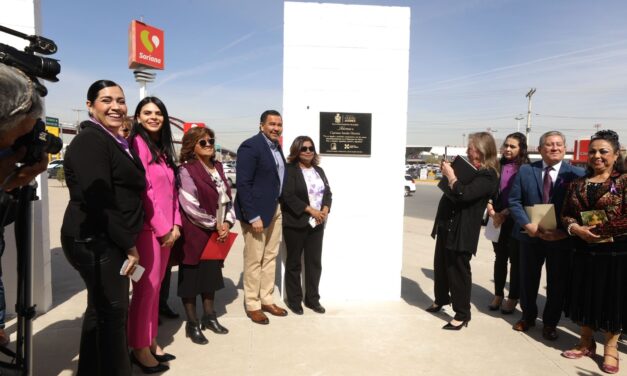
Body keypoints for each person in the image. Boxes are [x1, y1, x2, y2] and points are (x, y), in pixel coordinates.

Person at [60, 80, 145, 375]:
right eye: (106, 100)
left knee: (101, 311)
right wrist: (129, 244)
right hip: (97, 239)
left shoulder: (112, 140)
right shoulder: (91, 140)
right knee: (113, 315)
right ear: (90, 106)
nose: (116, 107)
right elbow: (100, 199)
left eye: (120, 100)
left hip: (108, 237)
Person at [560, 130, 627, 374]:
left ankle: (611, 347)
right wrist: (576, 228)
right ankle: (586, 341)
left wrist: (598, 230)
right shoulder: (577, 183)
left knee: (612, 298)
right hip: (582, 250)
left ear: (616, 154)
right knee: (584, 294)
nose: (597, 156)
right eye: (593, 152)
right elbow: (566, 212)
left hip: (615, 252)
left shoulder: (624, 181)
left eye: (603, 151)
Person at [508, 130, 585, 341]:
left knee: (557, 283)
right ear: (540, 149)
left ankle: (550, 323)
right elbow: (514, 201)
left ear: (565, 148)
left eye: (559, 144)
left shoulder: (576, 175)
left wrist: (564, 231)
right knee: (528, 280)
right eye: (549, 144)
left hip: (561, 239)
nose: (554, 148)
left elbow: (581, 210)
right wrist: (527, 224)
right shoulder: (525, 171)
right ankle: (528, 316)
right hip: (530, 236)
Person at [127, 97, 180, 373]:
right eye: (147, 112)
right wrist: (163, 228)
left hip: (168, 230)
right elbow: (146, 191)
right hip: (149, 231)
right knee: (145, 290)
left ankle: (149, 340)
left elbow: (172, 192)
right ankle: (138, 347)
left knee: (155, 289)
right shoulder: (137, 144)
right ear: (137, 117)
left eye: (158, 112)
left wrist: (177, 224)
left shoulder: (160, 148)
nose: (153, 117)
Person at [426, 132, 499, 330]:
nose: (468, 150)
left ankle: (462, 313)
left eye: (472, 147)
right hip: (447, 223)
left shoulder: (488, 174)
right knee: (441, 265)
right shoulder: (470, 170)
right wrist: (451, 180)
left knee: (458, 270)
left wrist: (451, 177)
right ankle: (440, 299)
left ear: (483, 150)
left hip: (463, 229)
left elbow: (464, 194)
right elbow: (453, 191)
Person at [176, 127, 234, 345]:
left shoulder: (218, 167)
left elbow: (228, 197)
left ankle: (210, 317)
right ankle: (192, 324)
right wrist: (215, 224)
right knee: (191, 279)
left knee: (210, 276)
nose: (209, 144)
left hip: (216, 232)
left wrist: (227, 222)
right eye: (203, 142)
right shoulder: (186, 170)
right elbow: (189, 205)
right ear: (192, 146)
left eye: (211, 140)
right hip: (195, 233)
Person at [235, 110, 288, 324]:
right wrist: (252, 215)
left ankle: (267, 298)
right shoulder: (250, 146)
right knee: (255, 259)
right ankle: (253, 304)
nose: (276, 128)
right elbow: (243, 184)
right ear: (261, 125)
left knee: (270, 257)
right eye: (272, 124)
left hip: (275, 209)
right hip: (256, 213)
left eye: (279, 124)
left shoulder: (277, 148)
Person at [281, 136, 332, 315]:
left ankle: (312, 300)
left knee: (314, 263)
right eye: (304, 148)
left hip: (317, 224)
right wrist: (311, 211)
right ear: (296, 151)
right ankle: (294, 300)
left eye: (311, 148)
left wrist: (325, 209)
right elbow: (287, 196)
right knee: (294, 262)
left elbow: (328, 193)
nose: (308, 151)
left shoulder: (319, 170)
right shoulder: (289, 170)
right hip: (296, 223)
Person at [486, 132, 530, 314]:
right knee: (500, 258)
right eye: (506, 145)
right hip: (496, 218)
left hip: (516, 220)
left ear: (521, 149)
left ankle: (512, 297)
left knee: (515, 261)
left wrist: (506, 212)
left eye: (513, 146)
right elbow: (489, 189)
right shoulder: (496, 165)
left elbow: (525, 195)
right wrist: (490, 208)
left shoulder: (526, 168)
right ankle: (498, 294)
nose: (508, 149)